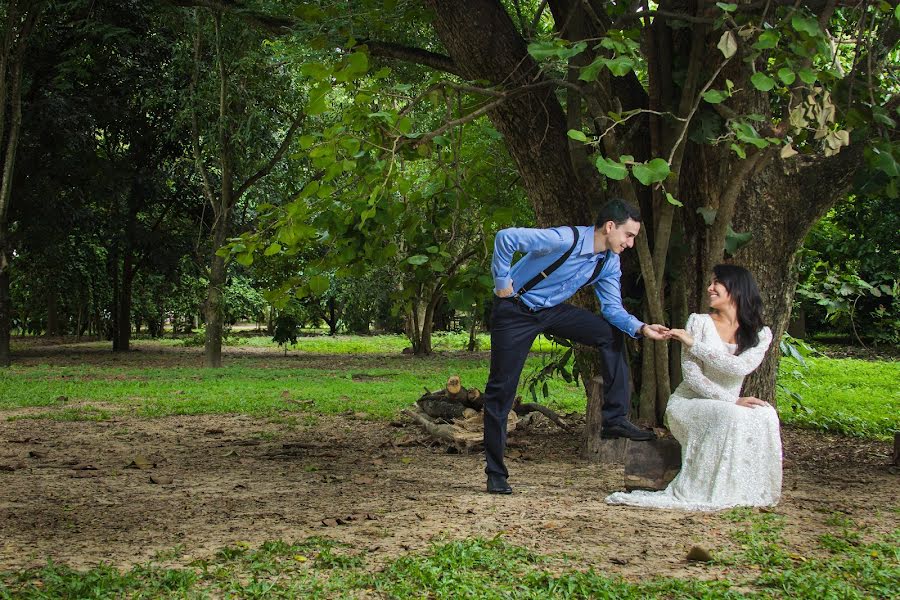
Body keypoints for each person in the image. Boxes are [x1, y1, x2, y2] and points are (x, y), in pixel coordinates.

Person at [484, 198, 669, 494]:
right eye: (628, 235)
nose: (630, 243)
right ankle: (495, 472)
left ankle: (615, 418)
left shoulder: (608, 262)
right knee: (500, 390)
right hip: (515, 310)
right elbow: (506, 238)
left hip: (551, 311)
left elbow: (612, 309)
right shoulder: (563, 239)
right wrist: (502, 283)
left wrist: (642, 327)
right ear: (610, 227)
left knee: (610, 333)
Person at [606, 264, 781, 510]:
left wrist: (693, 345)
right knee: (732, 414)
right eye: (710, 282)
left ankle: (745, 489)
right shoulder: (698, 322)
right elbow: (693, 378)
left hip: (729, 405)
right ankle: (710, 490)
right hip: (689, 404)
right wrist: (730, 401)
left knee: (766, 414)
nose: (710, 288)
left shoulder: (761, 333)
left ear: (737, 288)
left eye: (716, 283)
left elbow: (739, 367)